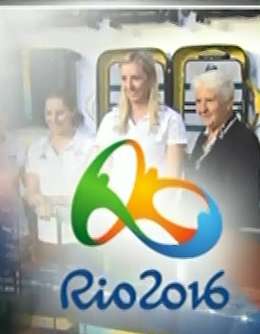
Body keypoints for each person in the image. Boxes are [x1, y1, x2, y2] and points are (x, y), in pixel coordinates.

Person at [186, 69, 260, 293]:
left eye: (209, 101)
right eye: (198, 101)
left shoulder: (243, 140)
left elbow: (241, 200)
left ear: (229, 102)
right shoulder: (204, 138)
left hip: (235, 247)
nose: (202, 109)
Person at [24, 92, 97, 265]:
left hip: (81, 238)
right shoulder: (37, 148)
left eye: (60, 113)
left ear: (72, 112)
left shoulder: (89, 146)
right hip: (47, 240)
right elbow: (31, 191)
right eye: (49, 113)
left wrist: (55, 201)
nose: (53, 119)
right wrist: (40, 201)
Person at [94, 51, 188, 179]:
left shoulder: (170, 119)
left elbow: (173, 178)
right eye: (124, 78)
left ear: (150, 79)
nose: (129, 86)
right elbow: (102, 171)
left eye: (136, 78)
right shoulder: (110, 120)